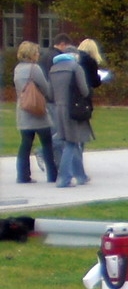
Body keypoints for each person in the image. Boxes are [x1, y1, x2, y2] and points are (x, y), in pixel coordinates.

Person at [48, 42, 93, 188]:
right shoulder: (76, 68)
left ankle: (81, 175)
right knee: (72, 142)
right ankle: (64, 178)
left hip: (58, 109)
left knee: (69, 142)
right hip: (72, 109)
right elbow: (84, 90)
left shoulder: (53, 69)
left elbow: (49, 94)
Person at [13, 41, 58, 183]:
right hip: (37, 111)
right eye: (36, 52)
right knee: (47, 144)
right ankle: (52, 175)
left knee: (25, 144)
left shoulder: (18, 69)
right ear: (32, 54)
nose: (38, 54)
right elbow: (45, 88)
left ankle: (23, 176)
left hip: (23, 110)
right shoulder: (35, 69)